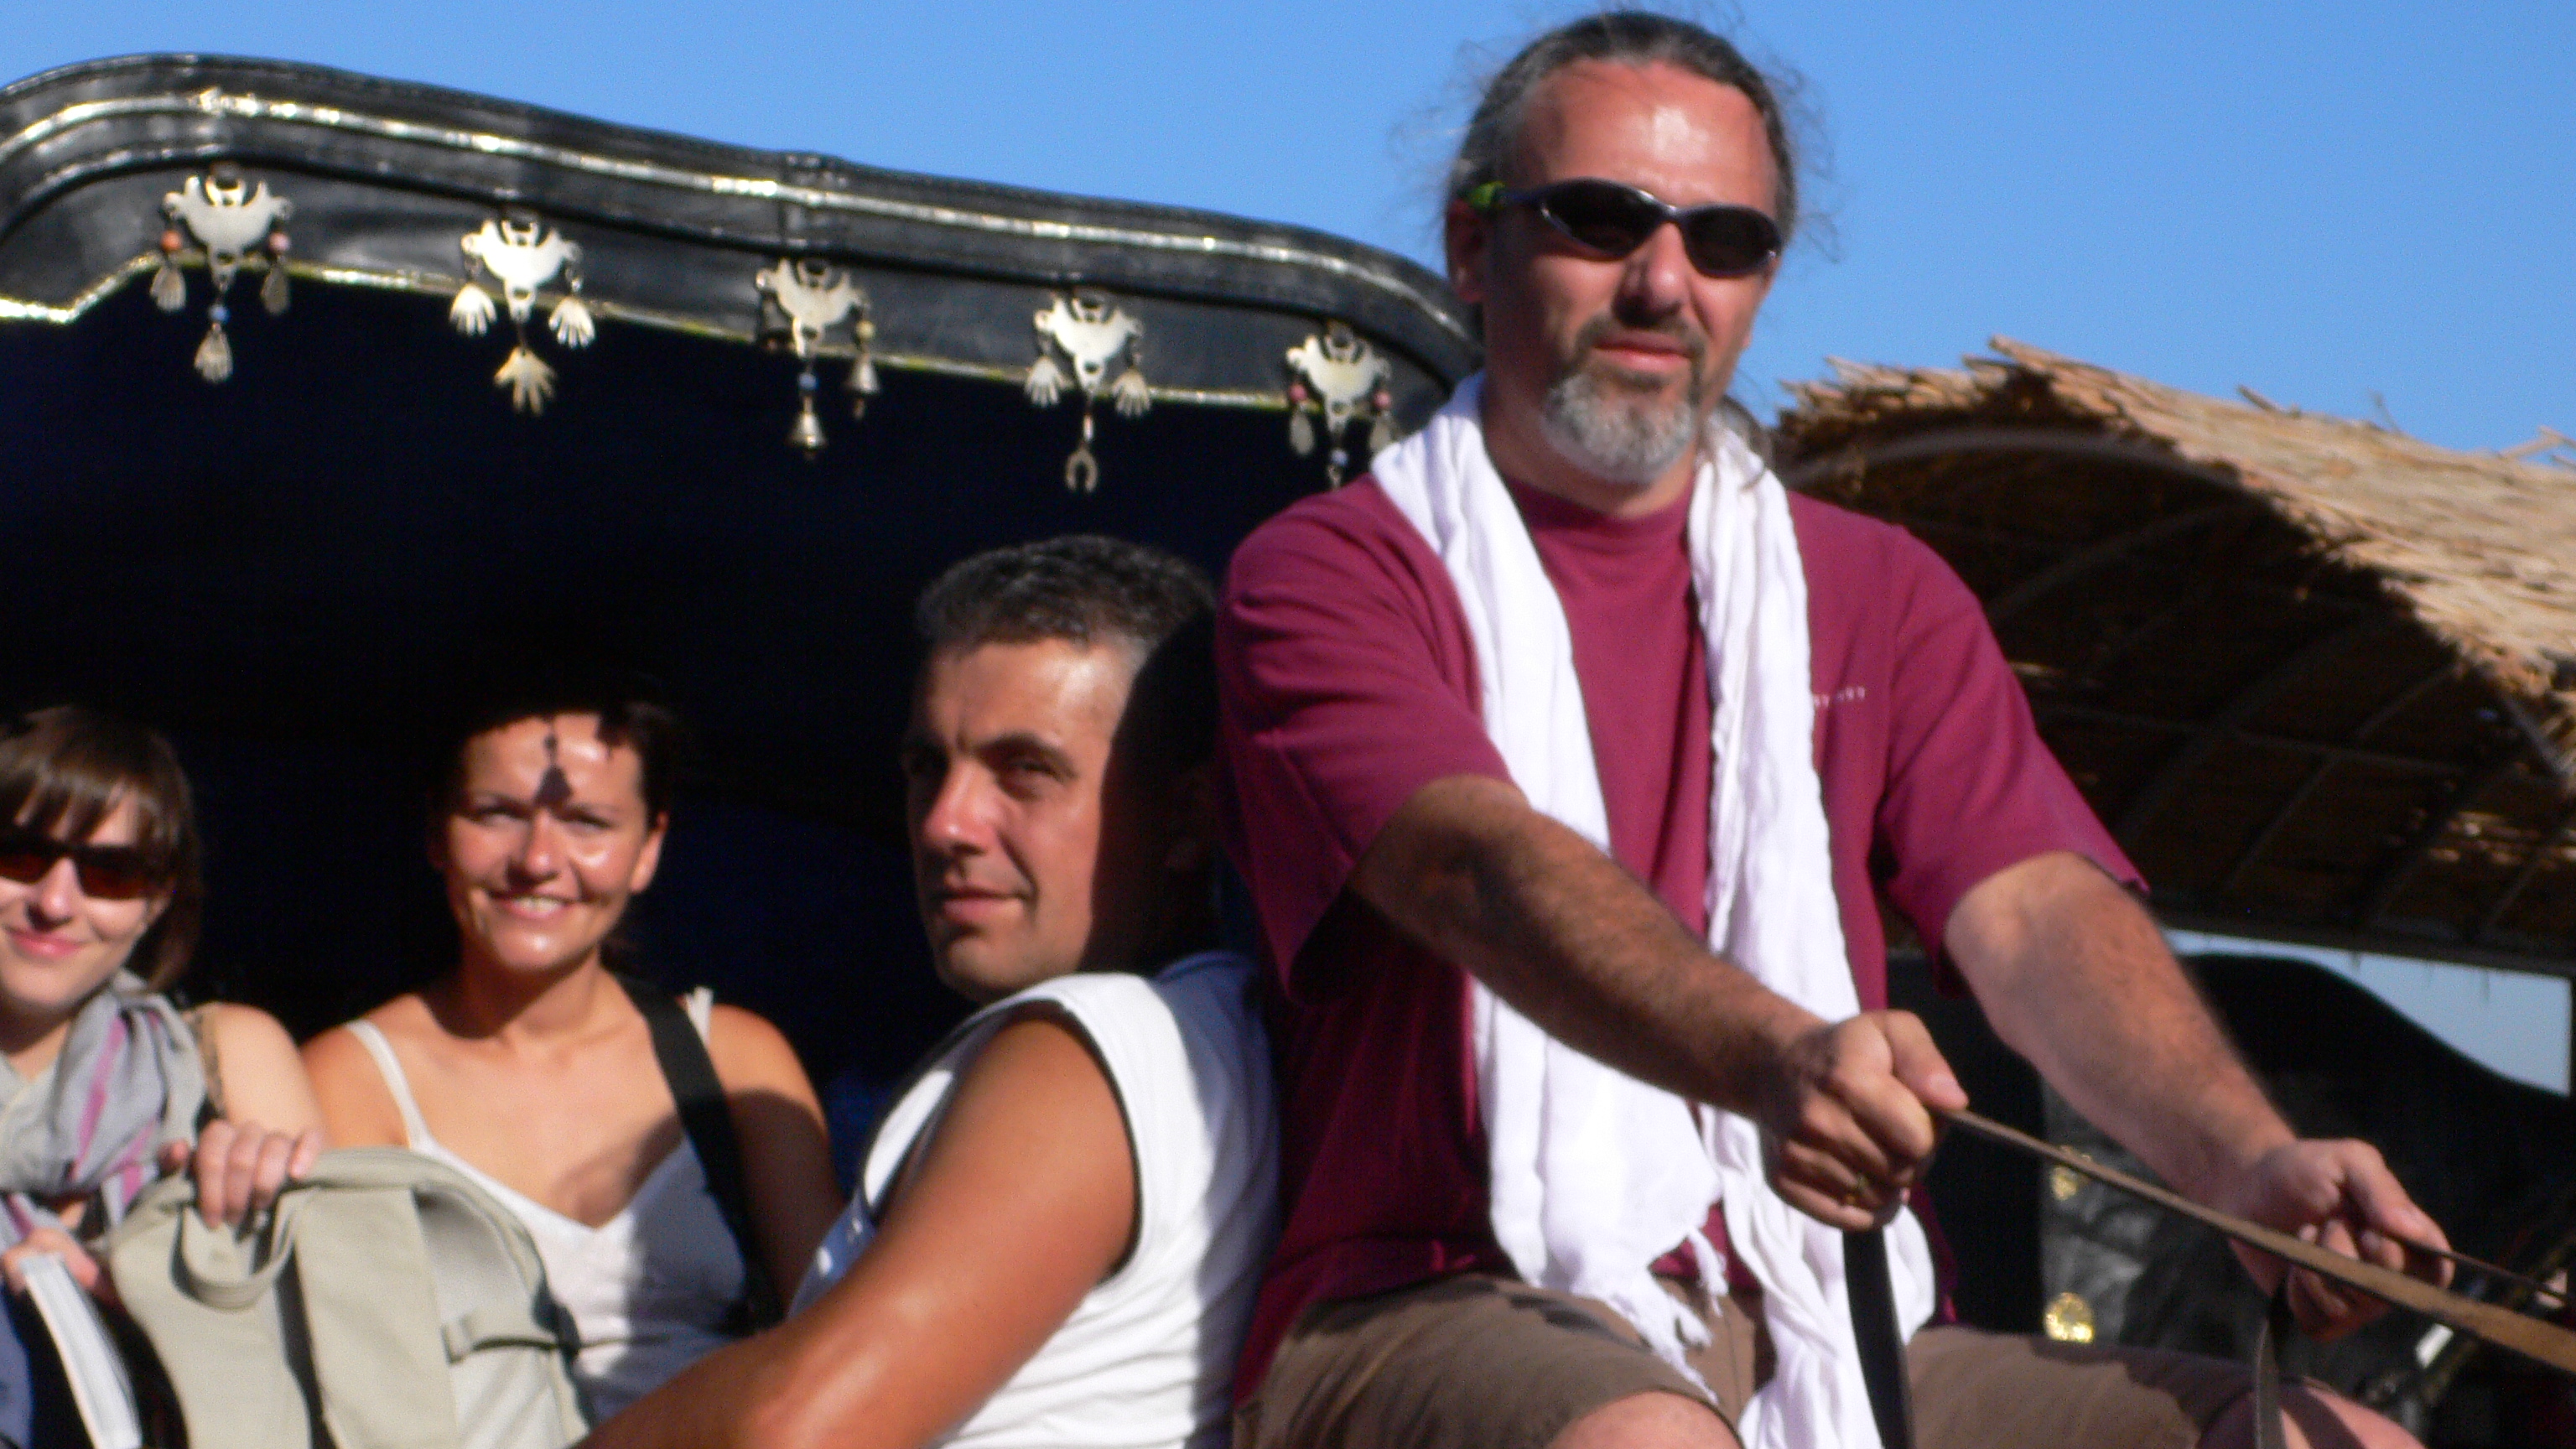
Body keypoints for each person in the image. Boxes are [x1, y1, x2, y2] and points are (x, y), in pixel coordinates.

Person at [1215, 13, 2449, 1449]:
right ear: (1472, 246)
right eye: (1600, 220)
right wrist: (1772, 1061)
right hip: (1433, 1297)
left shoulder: (1880, 595)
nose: (1662, 281)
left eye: (1723, 241)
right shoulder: (1329, 573)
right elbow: (1473, 866)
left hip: (1823, 1315)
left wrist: (2245, 1165)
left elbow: (2033, 912)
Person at [582, 535, 1276, 1449]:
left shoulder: (1094, 1045)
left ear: (1188, 816)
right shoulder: (1219, 1030)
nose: (947, 822)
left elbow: (794, 1426)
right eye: (926, 769)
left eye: (1025, 772)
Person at [300, 684, 841, 1421]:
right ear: (436, 833)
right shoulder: (349, 1078)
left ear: (649, 849)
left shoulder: (736, 1061)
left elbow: (841, 1342)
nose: (537, 860)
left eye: (587, 823)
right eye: (497, 814)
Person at [0, 705, 327, 1445]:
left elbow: (325, 1348)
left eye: (110, 873)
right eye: (18, 854)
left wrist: (156, 1297)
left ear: (155, 902)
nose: (55, 902)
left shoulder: (228, 1059)